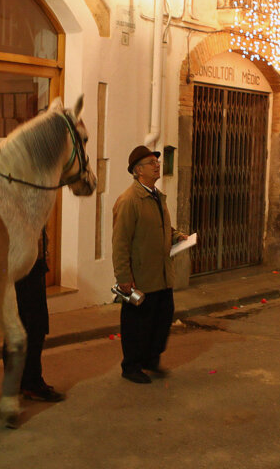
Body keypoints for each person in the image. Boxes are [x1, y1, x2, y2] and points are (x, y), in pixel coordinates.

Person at [112, 145, 188, 384]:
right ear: (138, 171)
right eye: (150, 162)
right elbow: (120, 242)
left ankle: (151, 360)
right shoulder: (129, 200)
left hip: (163, 274)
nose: (157, 165)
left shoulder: (156, 196)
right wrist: (123, 277)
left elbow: (162, 226)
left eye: (157, 161)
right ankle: (131, 366)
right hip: (142, 277)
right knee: (137, 325)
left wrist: (177, 236)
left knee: (162, 319)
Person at [13, 229, 65, 402]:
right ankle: (29, 383)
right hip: (21, 267)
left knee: (36, 326)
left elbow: (41, 234)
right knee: (29, 326)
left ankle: (27, 381)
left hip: (34, 264)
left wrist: (45, 253)